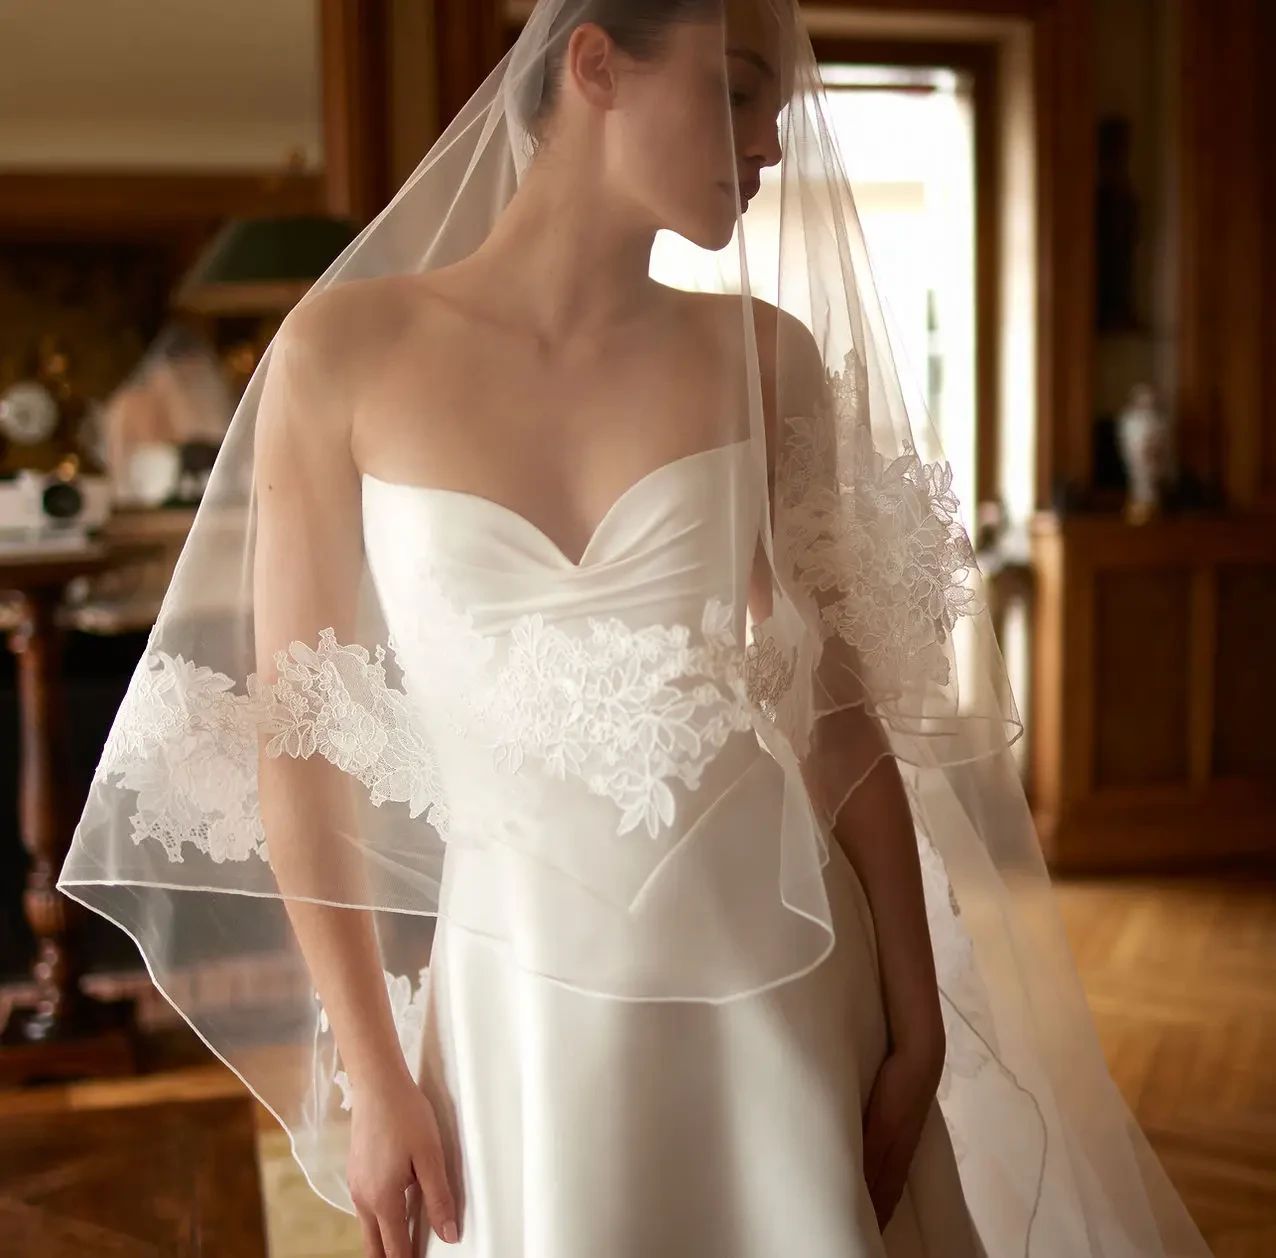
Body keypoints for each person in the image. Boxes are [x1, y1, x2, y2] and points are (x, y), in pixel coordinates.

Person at [60, 3, 1213, 1257]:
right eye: (735, 94)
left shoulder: (768, 358)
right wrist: (374, 1077)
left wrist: (916, 1010)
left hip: (786, 986)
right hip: (519, 1021)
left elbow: (835, 716)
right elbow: (298, 750)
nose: (773, 141)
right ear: (595, 63)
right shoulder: (342, 354)